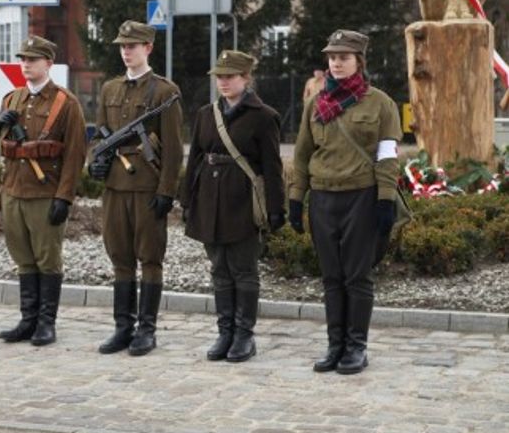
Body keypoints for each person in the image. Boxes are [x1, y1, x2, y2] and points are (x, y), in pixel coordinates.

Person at [290, 30, 402, 375]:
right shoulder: (315, 103)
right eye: (332, 57)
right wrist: (296, 197)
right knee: (331, 276)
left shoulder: (380, 103)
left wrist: (385, 200)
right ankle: (334, 345)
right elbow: (303, 155)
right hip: (323, 198)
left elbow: (387, 155)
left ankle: (356, 347)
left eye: (344, 57)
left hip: (361, 198)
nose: (336, 62)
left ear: (359, 62)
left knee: (357, 276)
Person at [87, 20, 183, 356]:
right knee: (120, 258)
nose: (126, 51)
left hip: (146, 186)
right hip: (115, 185)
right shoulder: (110, 89)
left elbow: (173, 148)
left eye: (133, 46)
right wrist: (94, 161)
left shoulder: (163, 92)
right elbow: (99, 135)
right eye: (123, 46)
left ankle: (147, 330)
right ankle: (122, 327)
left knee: (150, 258)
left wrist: (166, 191)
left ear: (148, 48)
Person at [182, 50, 285, 363]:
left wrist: (276, 209)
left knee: (243, 270)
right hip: (209, 201)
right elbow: (195, 159)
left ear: (246, 78)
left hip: (242, 201)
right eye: (220, 77)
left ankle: (244, 334)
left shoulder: (264, 116)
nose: (224, 82)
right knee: (219, 270)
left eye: (230, 76)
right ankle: (224, 331)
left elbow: (272, 167)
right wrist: (187, 199)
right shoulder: (204, 114)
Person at [0, 36, 86, 347]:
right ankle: (27, 319)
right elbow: (2, 149)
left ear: (48, 63)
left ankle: (46, 322)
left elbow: (75, 154)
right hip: (14, 190)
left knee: (47, 259)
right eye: (23, 59)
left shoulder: (65, 103)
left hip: (44, 192)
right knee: (23, 258)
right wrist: (2, 127)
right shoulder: (12, 100)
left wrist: (64, 197)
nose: (26, 64)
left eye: (33, 59)